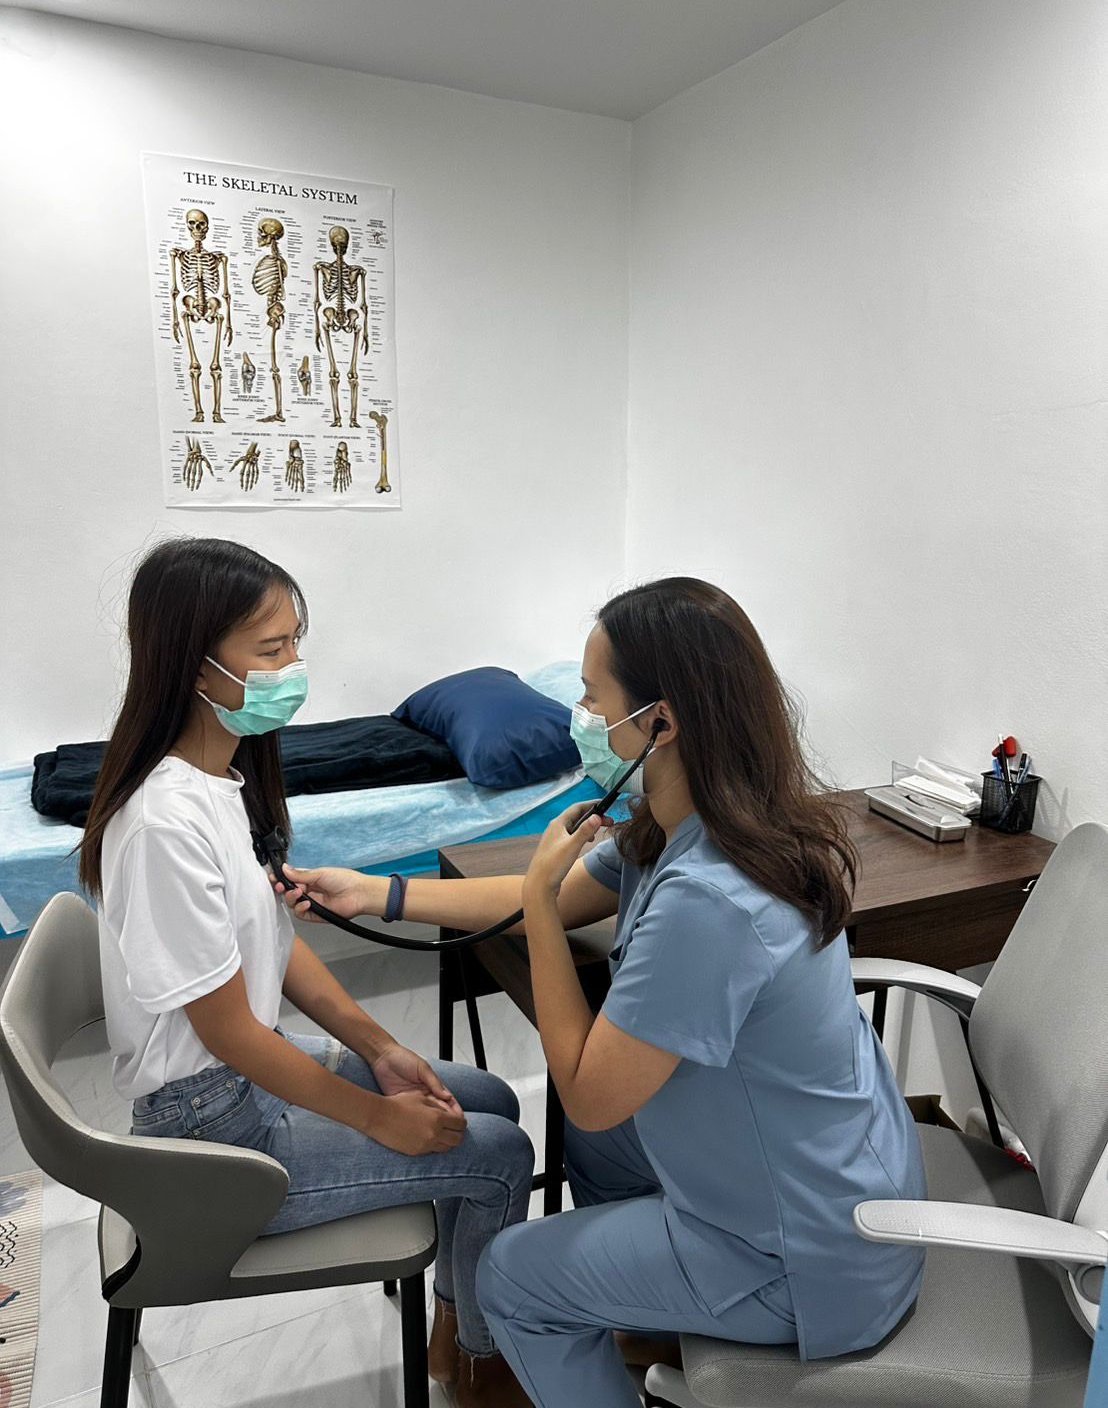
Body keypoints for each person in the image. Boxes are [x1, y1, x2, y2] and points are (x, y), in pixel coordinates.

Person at [278, 577, 927, 1408]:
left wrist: (544, 911)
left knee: (516, 1276)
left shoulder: (712, 900)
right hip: (839, 1172)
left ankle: (631, 1318)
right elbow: (533, 894)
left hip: (810, 1258)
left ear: (662, 720)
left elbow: (587, 1089)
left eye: (592, 700)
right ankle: (651, 1320)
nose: (581, 719)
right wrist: (375, 893)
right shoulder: (708, 819)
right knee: (602, 1150)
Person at [79, 537, 535, 1408]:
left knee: (487, 1097)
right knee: (502, 1153)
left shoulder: (221, 779)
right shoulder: (164, 826)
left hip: (239, 1081)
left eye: (296, 643)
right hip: (213, 1129)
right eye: (272, 649)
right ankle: (481, 1366)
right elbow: (227, 1033)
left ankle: (453, 1322)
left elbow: (275, 957)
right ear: (195, 663)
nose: (296, 668)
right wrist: (376, 1117)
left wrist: (383, 1049)